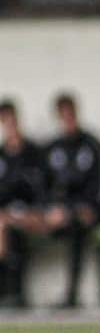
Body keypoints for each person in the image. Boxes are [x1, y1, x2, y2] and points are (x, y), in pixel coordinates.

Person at [42, 92, 100, 309]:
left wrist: (95, 209)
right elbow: (43, 188)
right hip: (60, 214)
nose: (68, 120)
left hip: (90, 212)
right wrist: (48, 209)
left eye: (71, 114)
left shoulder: (94, 145)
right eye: (63, 115)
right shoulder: (51, 149)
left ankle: (72, 293)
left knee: (77, 226)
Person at [0, 100, 45, 310]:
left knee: (11, 229)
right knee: (4, 227)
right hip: (6, 216)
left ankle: (16, 293)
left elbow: (43, 189)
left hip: (31, 214)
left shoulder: (34, 153)